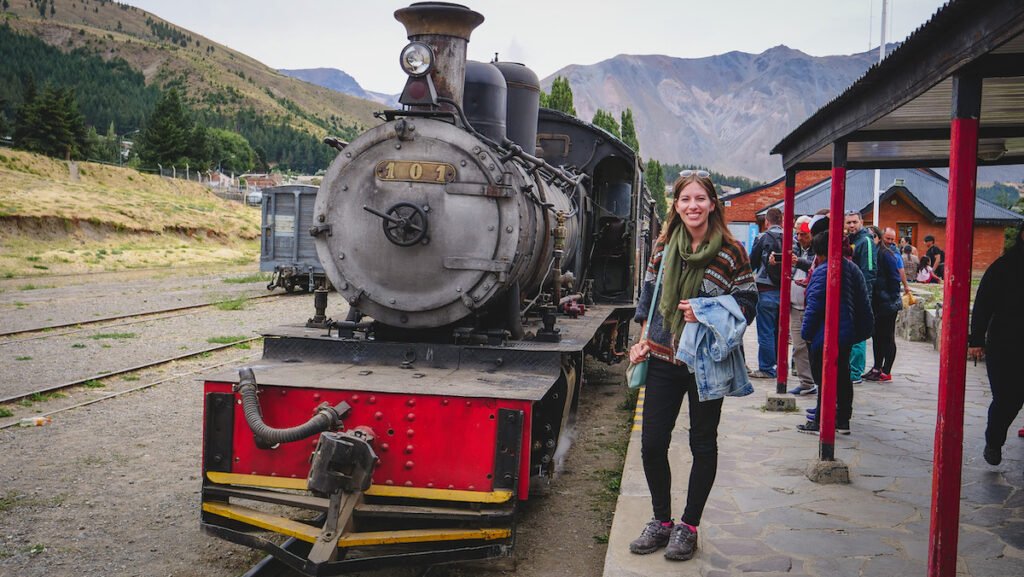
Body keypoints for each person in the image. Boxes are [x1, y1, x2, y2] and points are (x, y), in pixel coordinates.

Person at [628, 170, 758, 561]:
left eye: (700, 199)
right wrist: (641, 343)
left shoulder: (732, 251)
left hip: (707, 364)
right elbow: (649, 298)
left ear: (712, 204)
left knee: (702, 443)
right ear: (677, 206)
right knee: (652, 444)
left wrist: (705, 311)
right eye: (685, 200)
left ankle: (689, 525)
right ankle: (661, 521)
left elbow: (749, 304)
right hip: (665, 358)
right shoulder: (664, 246)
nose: (693, 206)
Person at [798, 216, 874, 434]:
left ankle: (823, 420)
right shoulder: (850, 267)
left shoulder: (825, 270)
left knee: (825, 380)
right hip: (846, 333)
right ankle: (842, 419)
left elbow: (814, 307)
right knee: (842, 376)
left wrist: (806, 334)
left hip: (827, 334)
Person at [969, 222, 1024, 466]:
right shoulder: (1004, 267)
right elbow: (983, 304)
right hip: (1006, 344)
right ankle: (994, 441)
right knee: (1006, 399)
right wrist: (976, 340)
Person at [748, 207, 784, 379]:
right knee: (779, 331)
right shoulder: (791, 238)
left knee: (766, 331)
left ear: (767, 222)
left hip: (766, 291)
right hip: (785, 292)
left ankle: (767, 368)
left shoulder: (762, 238)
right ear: (782, 220)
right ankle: (779, 365)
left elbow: (752, 263)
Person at [863, 226, 903, 382]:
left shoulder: (886, 254)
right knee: (876, 336)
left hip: (887, 303)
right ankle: (876, 367)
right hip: (877, 302)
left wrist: (890, 297)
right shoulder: (872, 254)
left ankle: (886, 370)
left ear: (878, 238)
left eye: (873, 237)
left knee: (887, 337)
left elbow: (895, 278)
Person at [844, 211, 877, 385]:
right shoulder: (851, 241)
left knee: (858, 337)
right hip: (850, 294)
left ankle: (855, 372)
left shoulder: (866, 242)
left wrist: (864, 295)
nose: (851, 225)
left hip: (860, 295)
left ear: (861, 222)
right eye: (848, 222)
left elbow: (870, 270)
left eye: (854, 222)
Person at [788, 219, 817, 395]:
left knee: (812, 347)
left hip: (810, 306)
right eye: (797, 234)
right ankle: (806, 382)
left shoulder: (817, 250)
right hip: (795, 305)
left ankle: (814, 380)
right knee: (799, 346)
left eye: (803, 234)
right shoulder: (796, 247)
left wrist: (798, 261)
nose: (800, 238)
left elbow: (816, 267)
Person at [883, 228, 912, 296]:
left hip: (891, 284)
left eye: (892, 239)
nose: (890, 241)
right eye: (887, 238)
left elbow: (900, 269)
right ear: (882, 236)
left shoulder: (895, 252)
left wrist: (906, 286)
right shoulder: (876, 248)